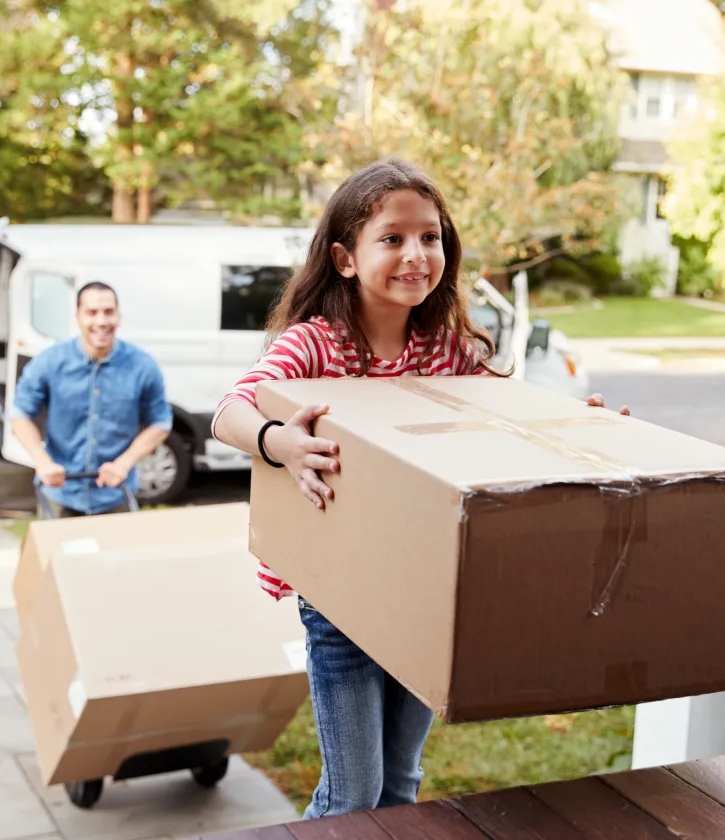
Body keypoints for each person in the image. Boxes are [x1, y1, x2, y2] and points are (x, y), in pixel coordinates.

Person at [211, 158, 630, 819]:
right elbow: (229, 409)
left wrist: (584, 427)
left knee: (401, 786)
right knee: (352, 794)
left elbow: (512, 419)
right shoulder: (316, 345)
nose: (416, 254)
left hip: (422, 590)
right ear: (346, 258)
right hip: (341, 595)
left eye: (430, 237)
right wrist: (279, 442)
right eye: (393, 238)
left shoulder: (446, 350)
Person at [9, 281, 173, 517]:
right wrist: (42, 461)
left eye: (108, 312)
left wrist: (124, 464)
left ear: (119, 316)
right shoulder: (49, 362)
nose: (101, 321)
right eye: (92, 312)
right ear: (78, 317)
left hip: (116, 493)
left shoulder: (143, 366)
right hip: (60, 495)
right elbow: (20, 414)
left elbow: (160, 423)